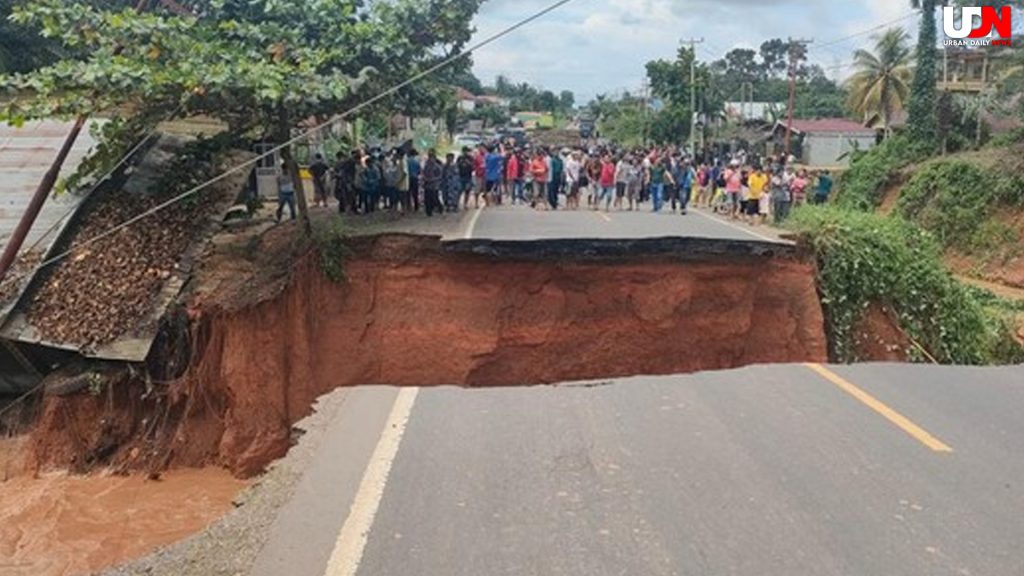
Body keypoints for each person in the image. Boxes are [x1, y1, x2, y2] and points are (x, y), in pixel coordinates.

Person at [422, 149, 443, 217]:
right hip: (427, 185)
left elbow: (440, 175)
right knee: (427, 199)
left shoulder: (437, 166)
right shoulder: (426, 165)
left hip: (434, 185)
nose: (431, 159)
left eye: (432, 158)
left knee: (434, 198)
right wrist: (425, 178)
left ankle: (440, 208)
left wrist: (433, 179)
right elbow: (423, 173)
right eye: (430, 157)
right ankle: (429, 212)